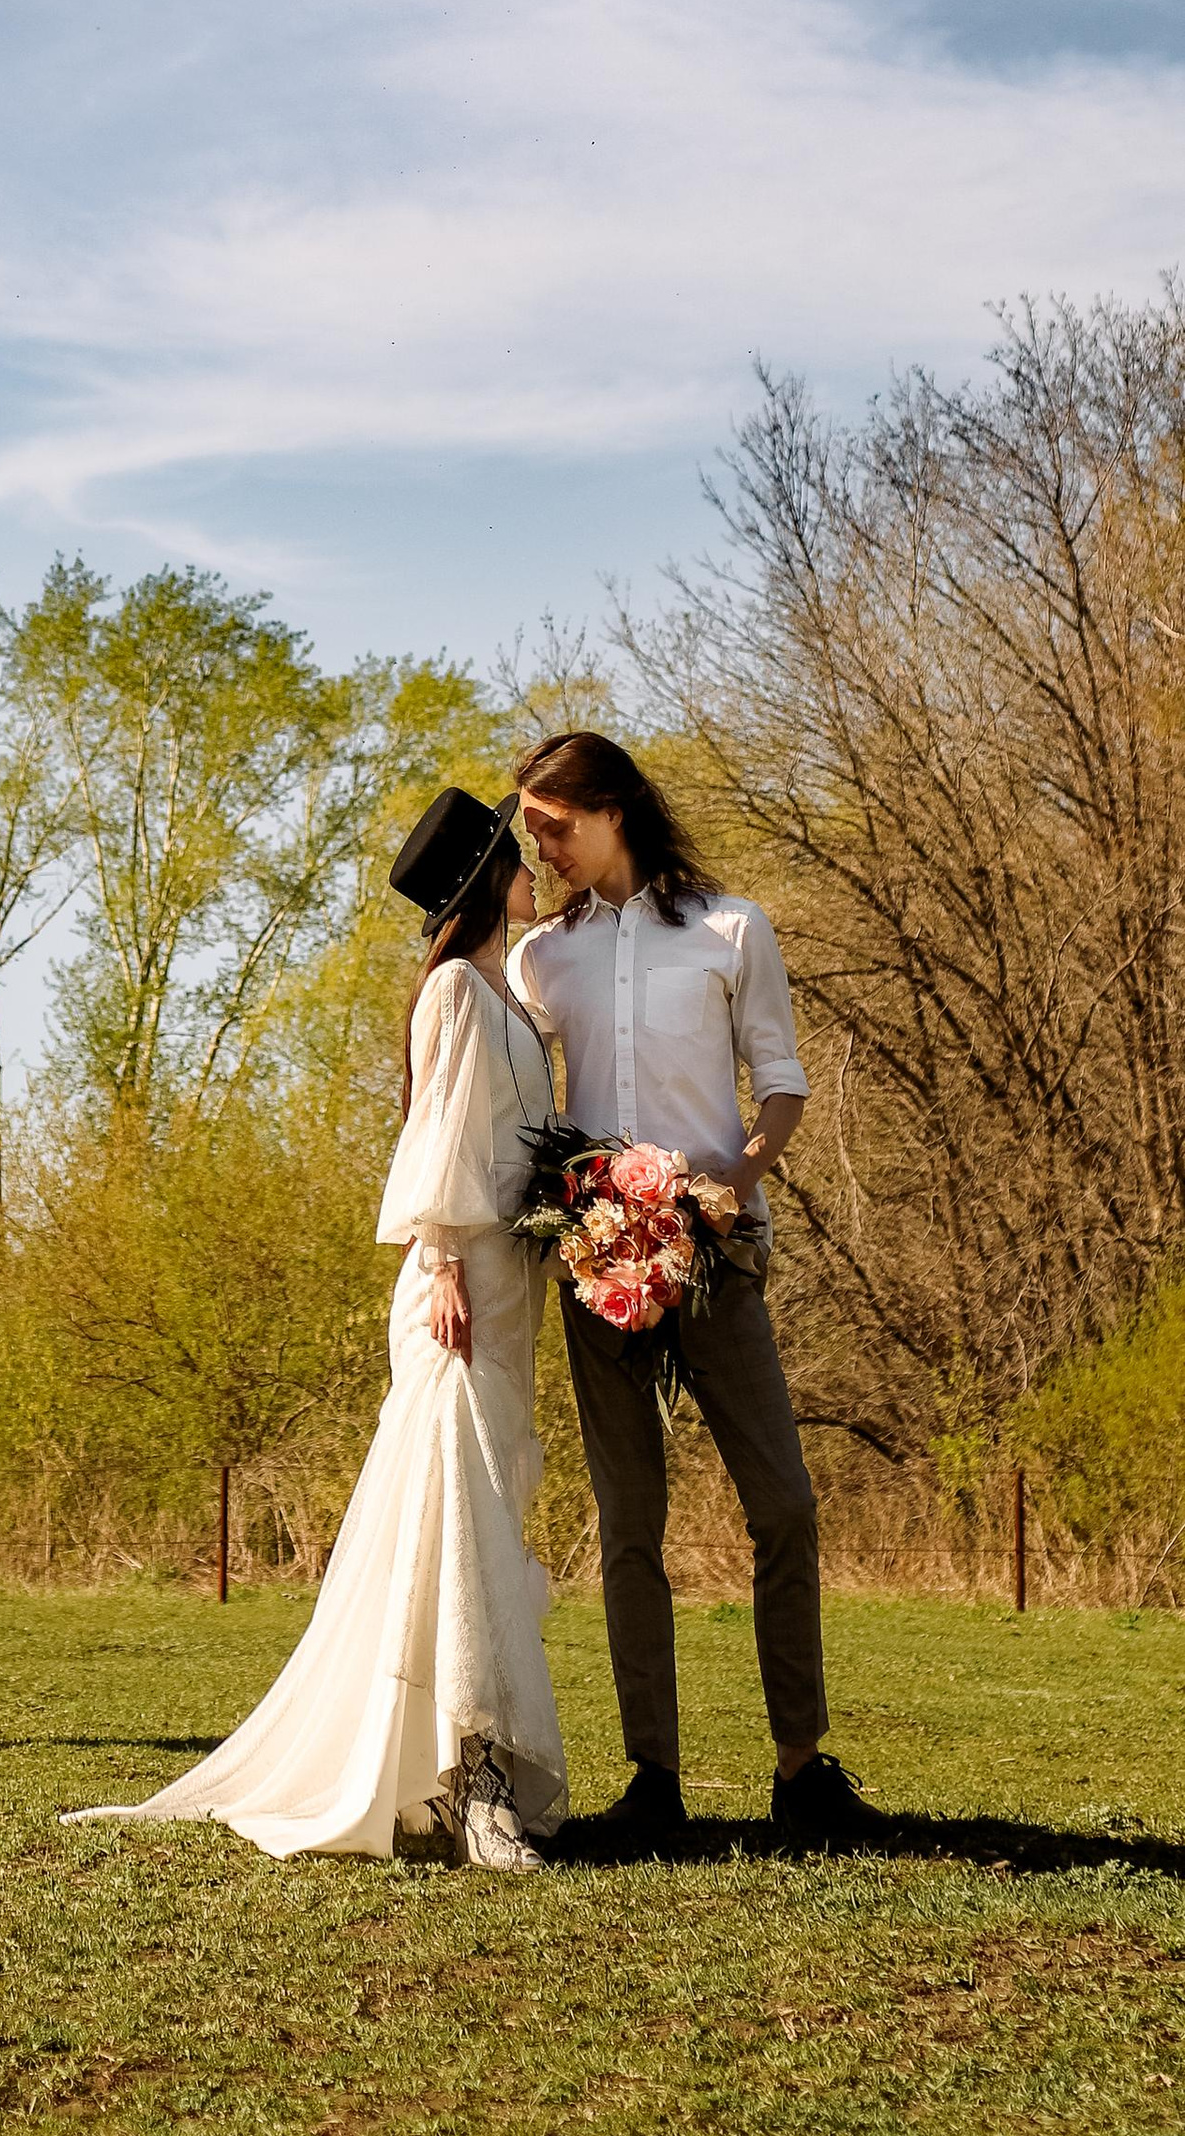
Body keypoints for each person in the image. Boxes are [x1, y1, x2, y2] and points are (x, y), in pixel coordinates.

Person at [68, 785, 566, 1871]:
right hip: (458, 1286)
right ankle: (473, 1784)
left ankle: (447, 1777)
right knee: (458, 1520)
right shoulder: (451, 995)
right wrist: (437, 1257)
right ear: (486, 877)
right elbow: (434, 1134)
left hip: (508, 1283)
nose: (537, 870)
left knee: (482, 1513)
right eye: (519, 857)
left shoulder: (512, 997)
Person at [508, 730, 882, 1856]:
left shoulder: (732, 927)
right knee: (629, 1523)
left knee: (785, 1507)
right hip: (598, 1266)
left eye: (552, 826)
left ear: (612, 807)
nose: (541, 848)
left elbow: (780, 1083)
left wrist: (736, 1176)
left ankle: (802, 1770)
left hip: (719, 1256)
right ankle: (651, 1782)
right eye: (530, 831)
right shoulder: (541, 961)